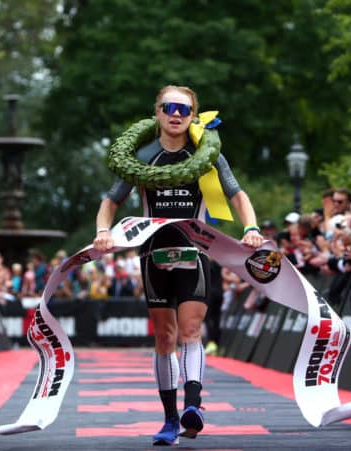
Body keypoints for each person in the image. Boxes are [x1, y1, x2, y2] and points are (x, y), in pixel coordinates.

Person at [93, 85, 263, 446]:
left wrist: (250, 228)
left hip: (194, 252)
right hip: (152, 254)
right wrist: (103, 232)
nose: (176, 114)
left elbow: (237, 194)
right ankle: (170, 420)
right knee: (164, 337)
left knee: (191, 329)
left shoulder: (206, 153)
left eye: (184, 110)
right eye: (169, 107)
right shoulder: (142, 156)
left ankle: (193, 405)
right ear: (156, 112)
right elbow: (111, 200)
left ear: (192, 115)